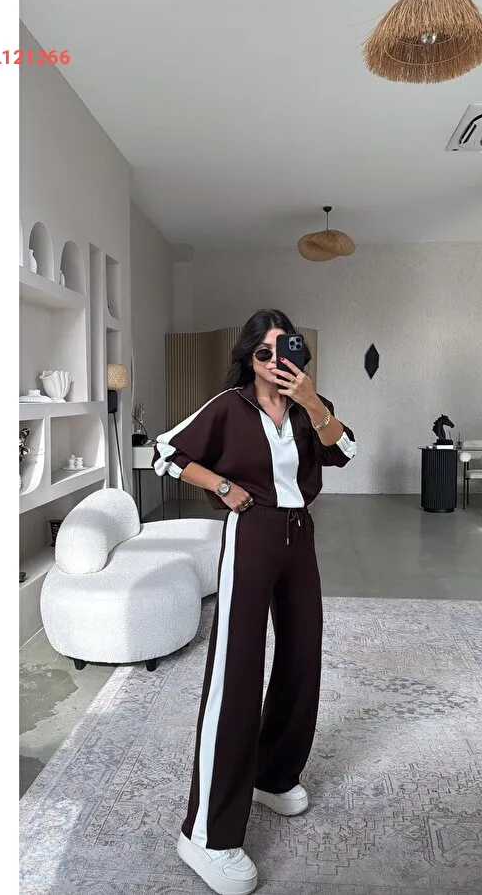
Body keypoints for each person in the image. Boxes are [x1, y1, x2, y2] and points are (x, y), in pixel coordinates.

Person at [153, 309, 356, 895]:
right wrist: (222, 486)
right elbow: (166, 453)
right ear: (249, 357)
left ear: (297, 353)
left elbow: (345, 449)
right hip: (252, 532)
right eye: (262, 353)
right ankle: (206, 833)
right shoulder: (228, 406)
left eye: (282, 350)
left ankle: (274, 773)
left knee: (301, 659)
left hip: (300, 537)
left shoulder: (309, 406)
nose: (273, 362)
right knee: (236, 671)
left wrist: (312, 401)